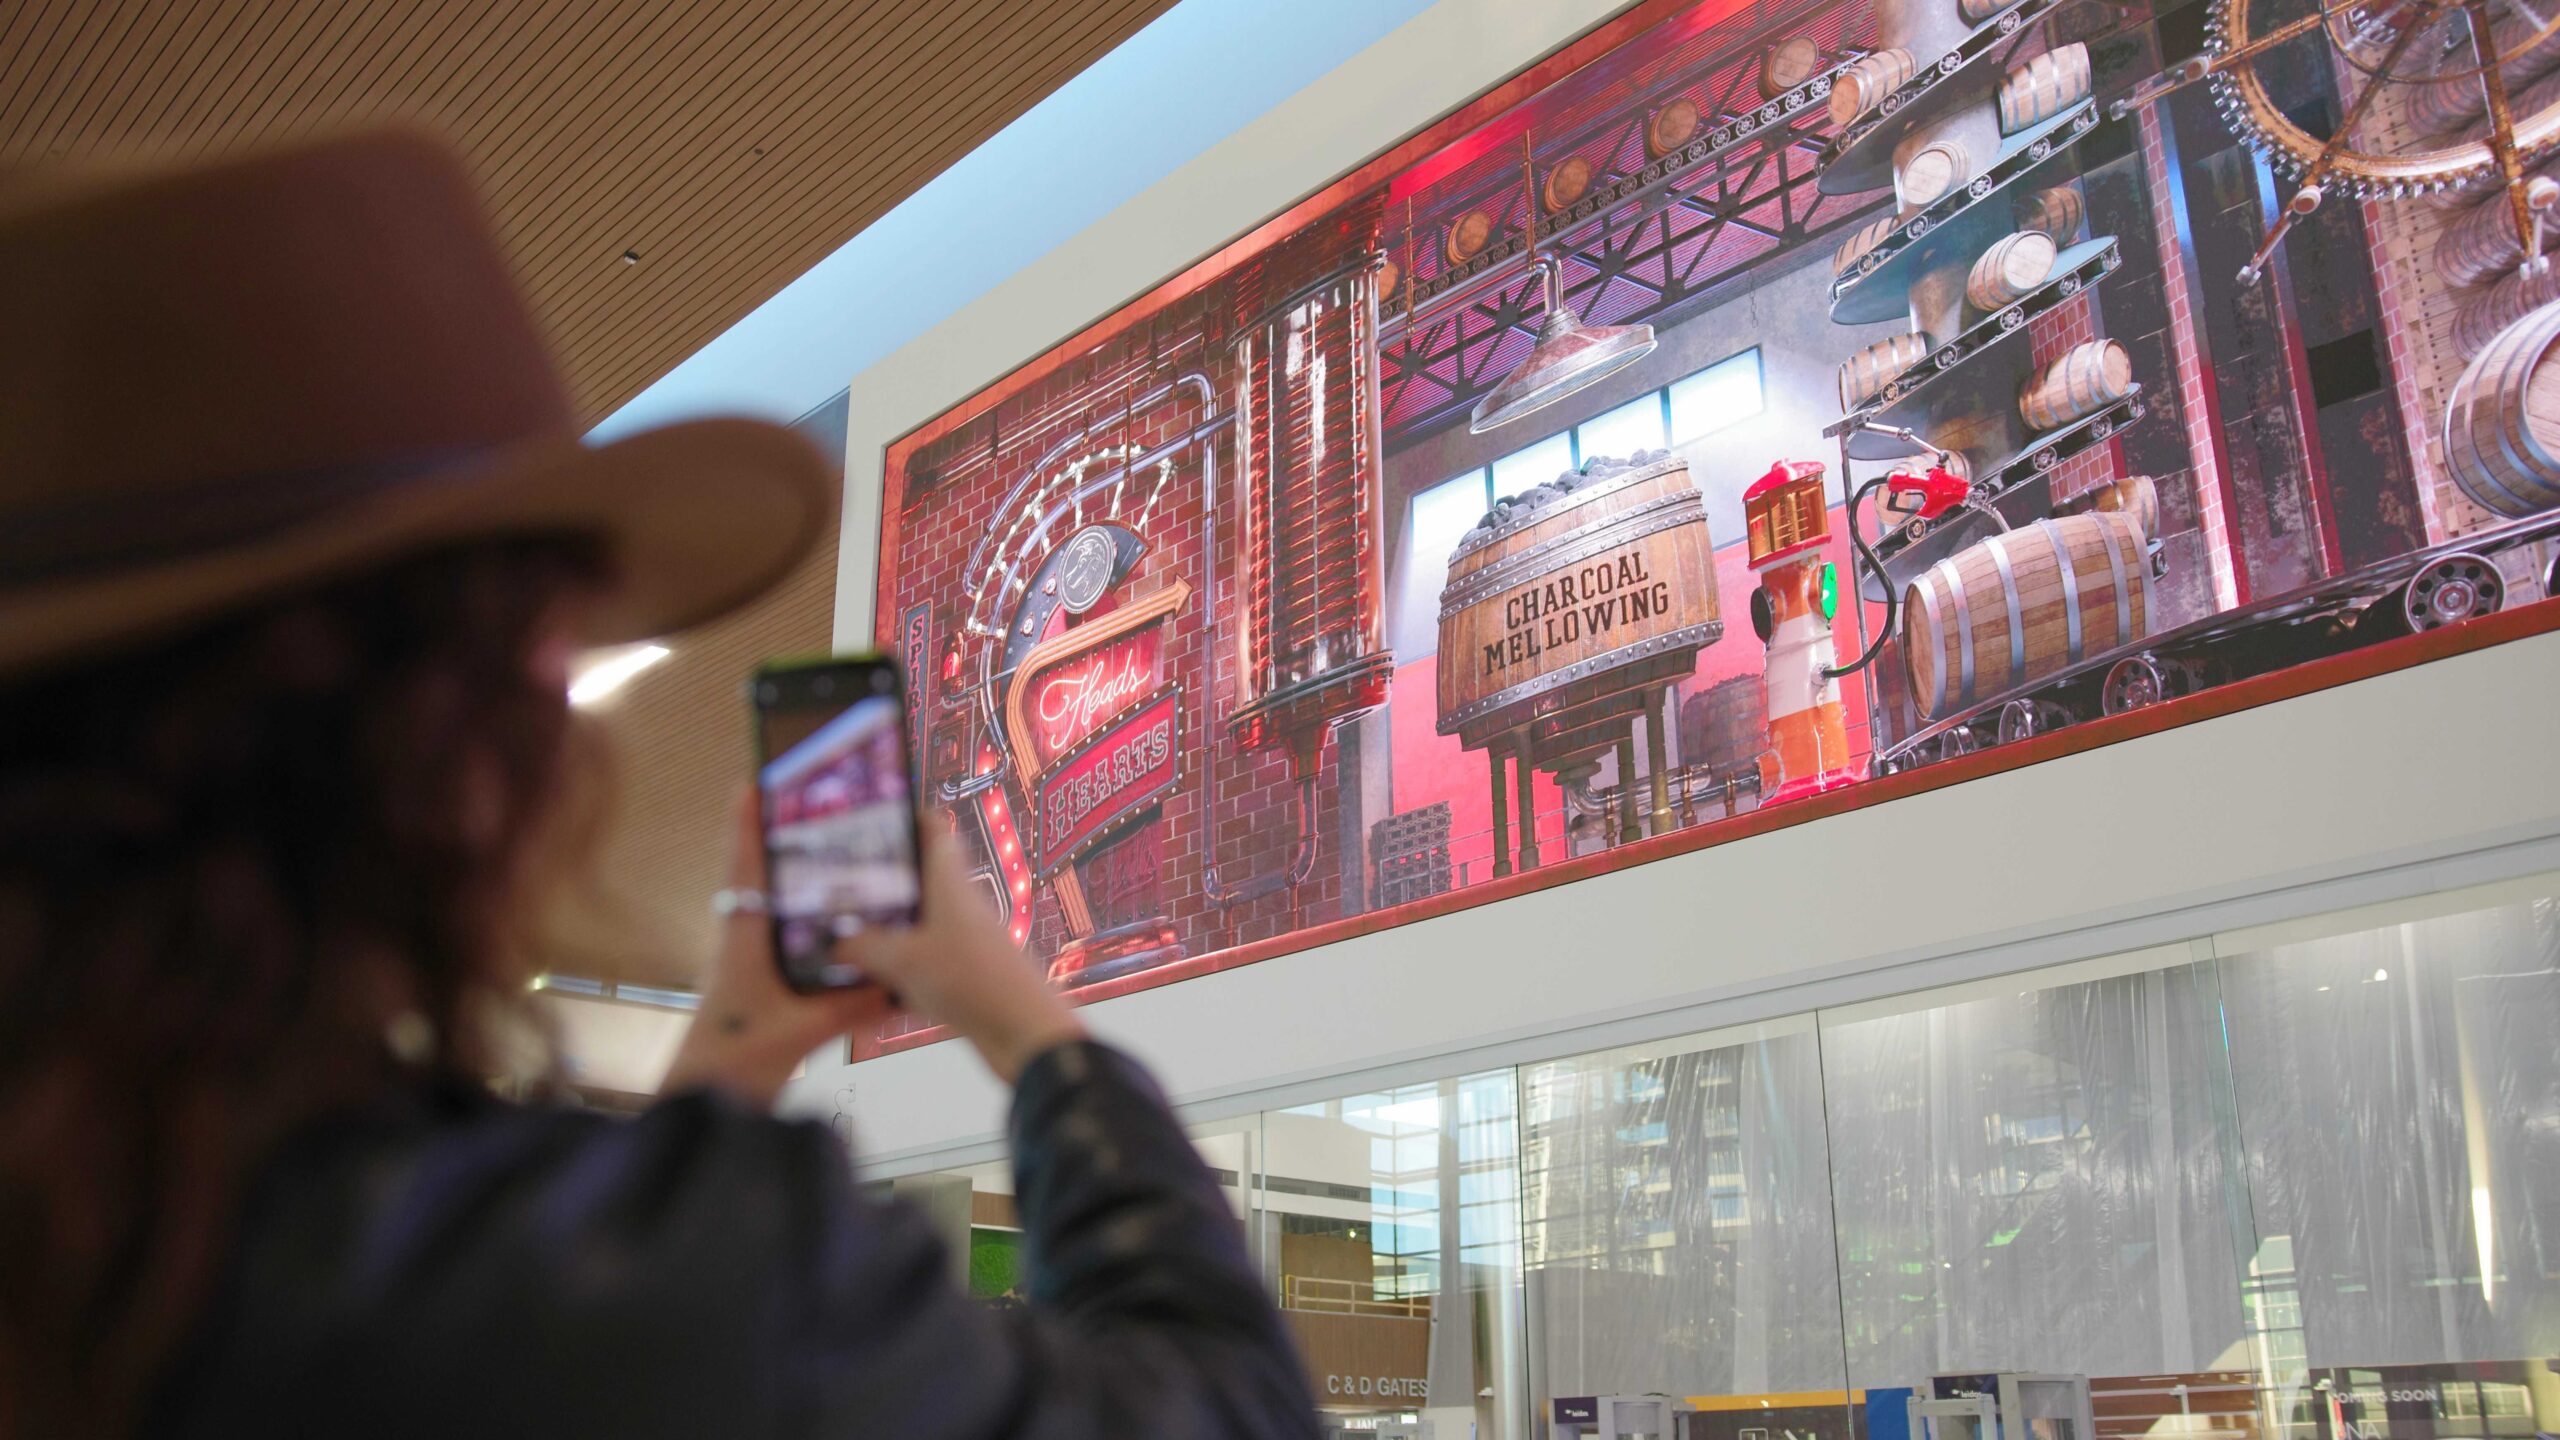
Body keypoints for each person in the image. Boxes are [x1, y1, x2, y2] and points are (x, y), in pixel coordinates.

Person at [0, 130, 1317, 1439]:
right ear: (446, 755)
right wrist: (1024, 1019)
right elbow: (1233, 1412)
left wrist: (726, 1074)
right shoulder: (666, 1287)